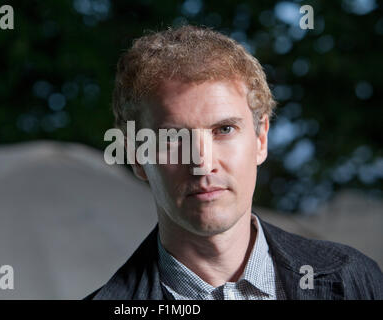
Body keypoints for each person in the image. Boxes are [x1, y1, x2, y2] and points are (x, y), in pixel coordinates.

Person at [84, 25, 382, 300]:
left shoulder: (352, 279)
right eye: (173, 138)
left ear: (261, 139)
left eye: (224, 129)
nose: (203, 164)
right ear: (137, 156)